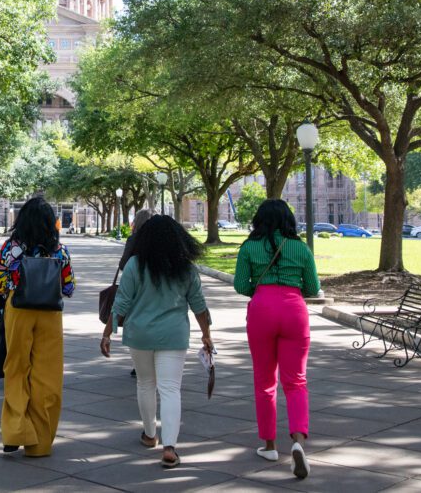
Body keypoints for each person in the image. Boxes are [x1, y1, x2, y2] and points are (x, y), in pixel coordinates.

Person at [100, 215, 212, 469]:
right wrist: (206, 334)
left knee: (145, 383)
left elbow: (121, 304)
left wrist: (108, 333)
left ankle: (150, 434)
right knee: (170, 389)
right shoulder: (186, 267)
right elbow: (199, 305)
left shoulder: (134, 265)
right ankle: (170, 447)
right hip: (173, 335)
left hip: (139, 334)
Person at [234, 199, 320, 480]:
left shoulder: (249, 247)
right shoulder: (301, 247)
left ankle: (269, 445)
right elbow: (313, 287)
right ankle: (298, 440)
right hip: (294, 309)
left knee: (264, 381)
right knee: (296, 381)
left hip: (262, 309)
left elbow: (239, 284)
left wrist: (261, 291)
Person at [0, 196, 75, 457]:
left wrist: (16, 282)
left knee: (16, 369)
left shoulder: (10, 248)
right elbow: (68, 288)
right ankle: (39, 443)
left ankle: (15, 431)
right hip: (50, 314)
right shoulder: (60, 251)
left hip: (18, 312)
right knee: (47, 376)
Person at [117, 209, 154, 378]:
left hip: (136, 287)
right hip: (156, 287)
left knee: (137, 322)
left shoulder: (133, 239)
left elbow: (123, 264)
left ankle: (139, 363)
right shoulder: (159, 240)